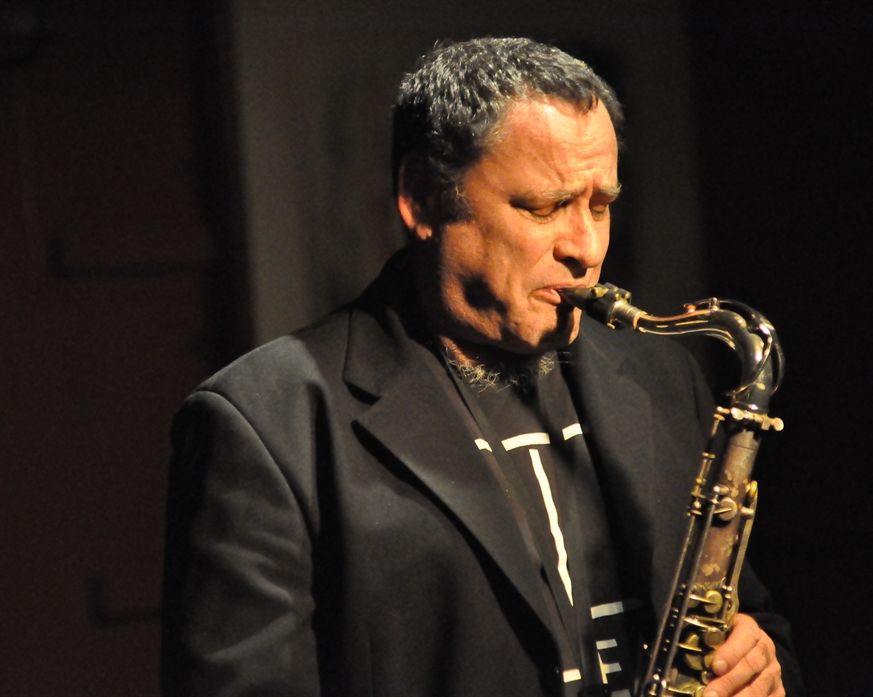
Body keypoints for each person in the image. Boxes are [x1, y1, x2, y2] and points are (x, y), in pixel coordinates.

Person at [161, 38, 803, 697]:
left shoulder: (662, 378)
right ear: (421, 198)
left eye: (600, 205)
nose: (586, 248)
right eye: (544, 207)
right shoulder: (266, 423)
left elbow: (750, 620)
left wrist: (762, 663)